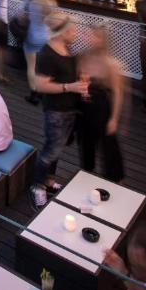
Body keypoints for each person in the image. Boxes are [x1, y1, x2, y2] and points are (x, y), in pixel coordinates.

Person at [31, 13, 89, 207]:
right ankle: (38, 187)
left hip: (69, 109)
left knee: (57, 148)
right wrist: (69, 87)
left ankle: (48, 181)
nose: (75, 33)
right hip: (55, 110)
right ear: (62, 32)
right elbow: (40, 85)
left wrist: (81, 82)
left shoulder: (68, 49)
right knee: (50, 150)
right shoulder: (47, 53)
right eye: (71, 29)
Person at [76, 25, 125, 182]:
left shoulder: (111, 64)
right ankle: (87, 171)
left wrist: (114, 119)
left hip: (102, 108)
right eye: (90, 36)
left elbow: (117, 92)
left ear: (103, 41)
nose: (91, 39)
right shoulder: (82, 57)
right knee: (85, 141)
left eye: (95, 37)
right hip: (84, 107)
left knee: (108, 145)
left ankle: (114, 179)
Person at [21, 0, 53, 105]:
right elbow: (51, 20)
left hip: (31, 36)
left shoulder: (29, 0)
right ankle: (43, 91)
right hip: (45, 37)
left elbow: (21, 14)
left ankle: (34, 93)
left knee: (31, 66)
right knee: (43, 66)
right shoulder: (48, 4)